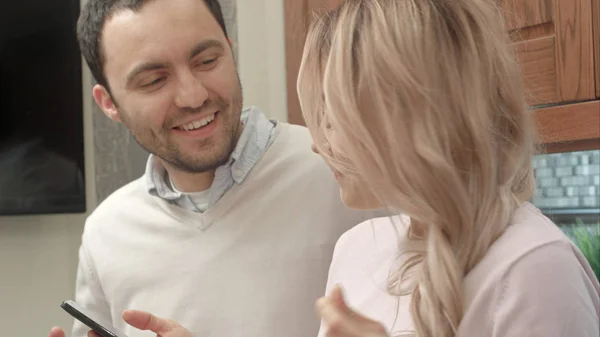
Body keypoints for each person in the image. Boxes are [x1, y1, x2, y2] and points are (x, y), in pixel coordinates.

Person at [109, 0, 600, 336]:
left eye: (333, 117)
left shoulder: (533, 267)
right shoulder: (360, 247)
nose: (320, 146)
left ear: (414, 113)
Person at [48, 0, 381, 336]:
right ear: (109, 103)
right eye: (153, 81)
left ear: (230, 51)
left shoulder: (347, 175)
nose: (192, 96)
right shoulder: (106, 234)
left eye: (207, 61)